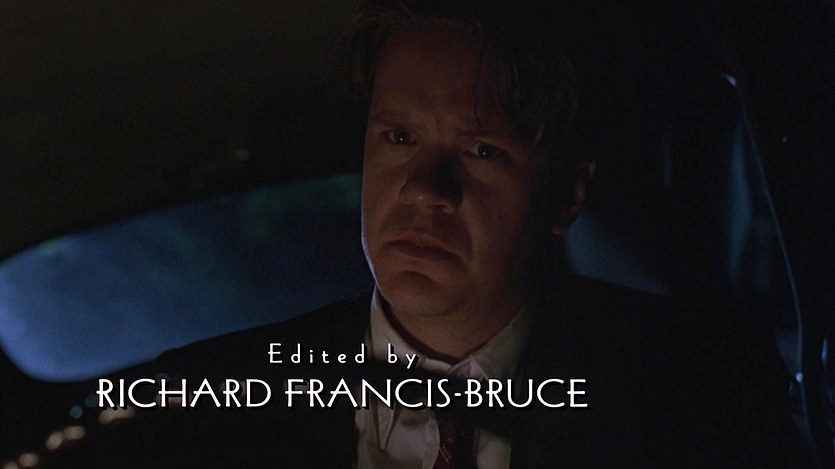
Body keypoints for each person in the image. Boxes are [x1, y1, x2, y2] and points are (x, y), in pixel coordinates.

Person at [20, 1, 801, 468]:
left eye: (480, 150)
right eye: (398, 138)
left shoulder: (695, 388)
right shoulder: (204, 406)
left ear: (565, 194)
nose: (425, 189)